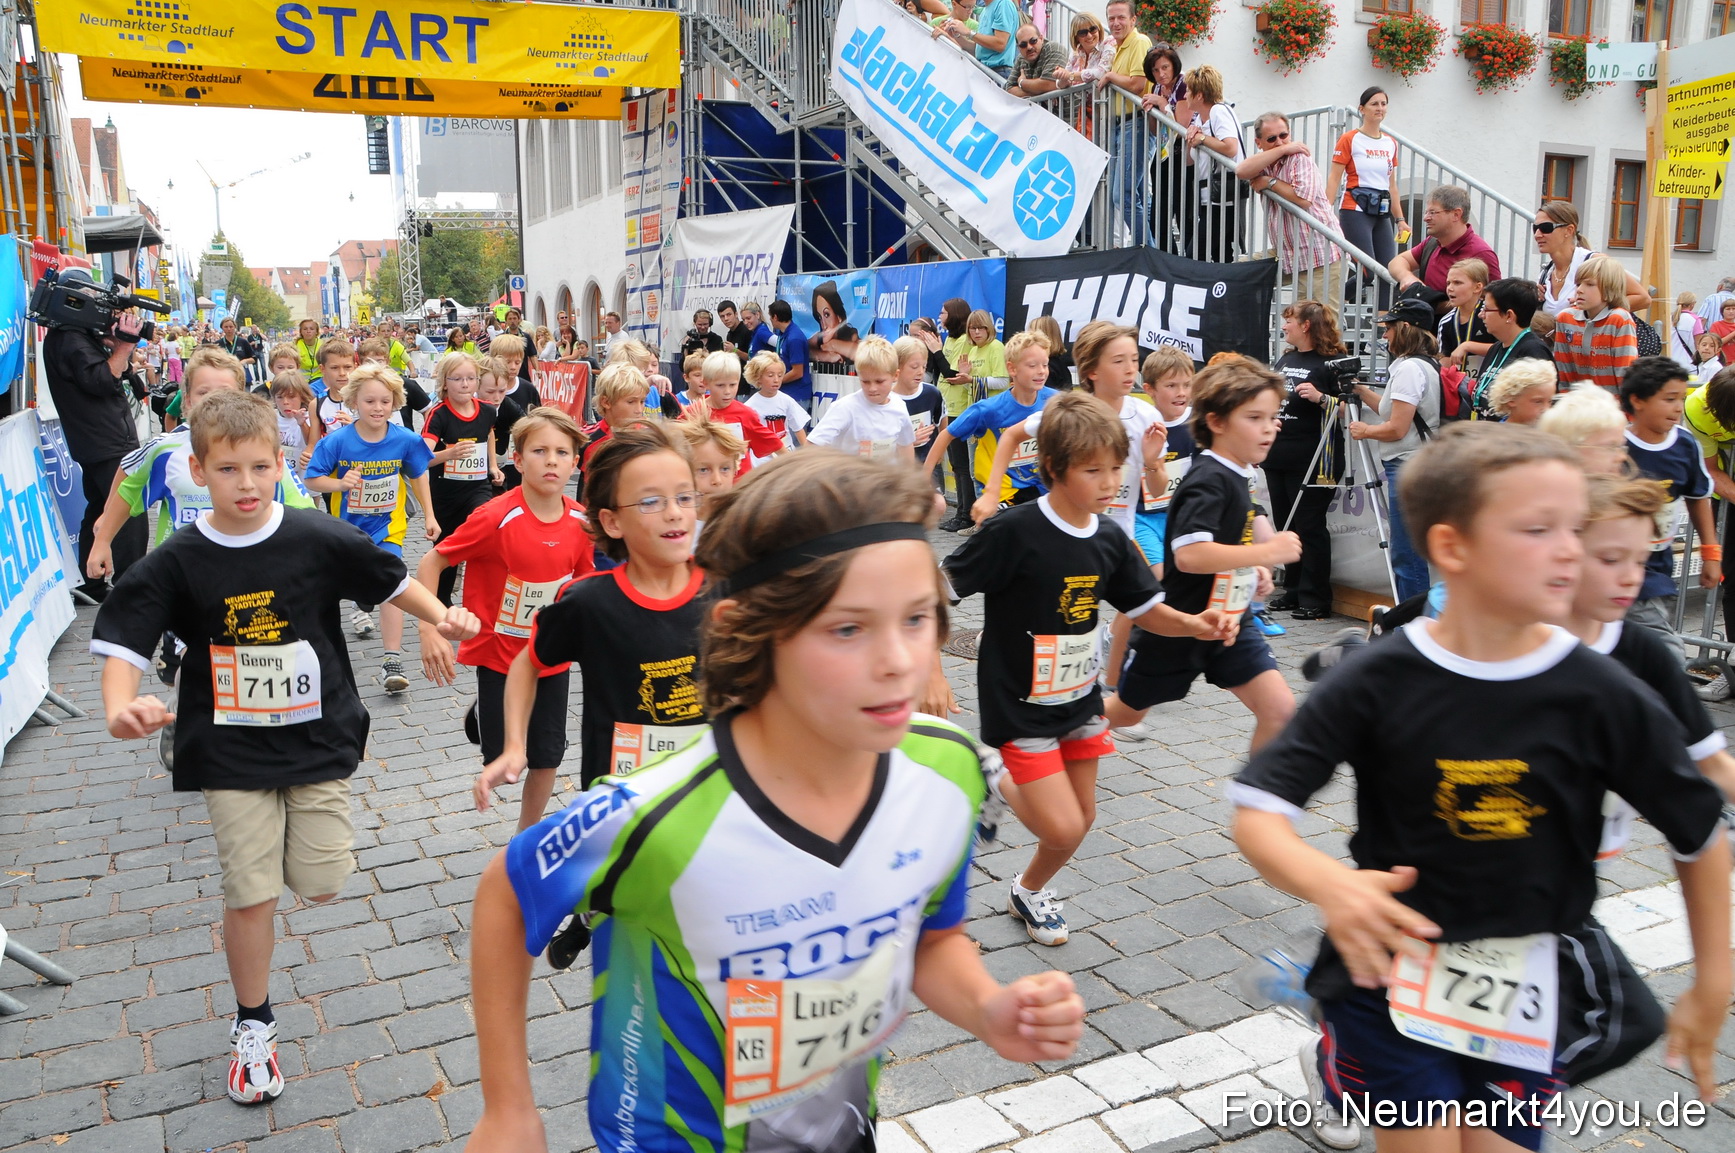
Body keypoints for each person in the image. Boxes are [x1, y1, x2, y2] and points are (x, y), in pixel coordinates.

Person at [465, 447, 1086, 1153]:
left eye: (917, 618)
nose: (899, 660)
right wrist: (507, 1108)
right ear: (744, 628)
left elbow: (928, 935)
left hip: (843, 1129)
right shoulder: (658, 813)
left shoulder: (948, 772)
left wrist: (987, 1006)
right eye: (847, 628)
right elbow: (505, 894)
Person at [1232, 422, 1731, 1153]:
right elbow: (1258, 808)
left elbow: (1697, 828)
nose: (1569, 548)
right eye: (1538, 528)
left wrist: (1713, 978)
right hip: (1388, 975)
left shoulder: (1602, 689)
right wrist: (1330, 887)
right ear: (1451, 547)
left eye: (1573, 527)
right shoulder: (1378, 675)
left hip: (1527, 984)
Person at [92, 389, 480, 1108]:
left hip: (318, 734)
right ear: (198, 471)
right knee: (251, 888)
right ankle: (253, 1024)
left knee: (324, 879)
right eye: (229, 468)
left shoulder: (311, 535)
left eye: (260, 467)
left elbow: (389, 578)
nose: (246, 483)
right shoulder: (180, 557)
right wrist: (121, 705)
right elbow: (125, 636)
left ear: (281, 465)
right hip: (228, 747)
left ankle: (291, 887)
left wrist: (443, 615)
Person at [943, 393, 1231, 946]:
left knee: (1083, 817)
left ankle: (1028, 891)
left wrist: (1195, 624)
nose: (1109, 481)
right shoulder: (1015, 531)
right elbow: (940, 587)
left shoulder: (1109, 538)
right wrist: (928, 666)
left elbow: (1148, 610)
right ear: (1053, 469)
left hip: (1079, 702)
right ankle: (992, 776)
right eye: (1092, 469)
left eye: (1115, 468)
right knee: (1062, 824)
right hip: (1020, 704)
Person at [1103, 358, 1301, 751]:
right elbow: (1190, 555)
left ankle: (1254, 806)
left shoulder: (1240, 472)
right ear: (1217, 422)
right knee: (1125, 713)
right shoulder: (1209, 477)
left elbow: (1233, 535)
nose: (1269, 428)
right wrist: (1265, 551)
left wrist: (1253, 565)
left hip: (1230, 622)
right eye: (1255, 417)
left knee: (1280, 711)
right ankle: (1041, 738)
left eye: (1272, 417)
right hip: (1179, 626)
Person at [416, 407, 594, 832]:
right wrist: (429, 628)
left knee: (547, 753)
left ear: (575, 463)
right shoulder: (495, 516)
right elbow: (431, 563)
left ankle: (524, 837)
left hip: (549, 655)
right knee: (501, 755)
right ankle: (482, 715)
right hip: (498, 655)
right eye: (540, 450)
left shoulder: (581, 523)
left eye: (562, 452)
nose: (551, 460)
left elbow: (585, 588)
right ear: (517, 459)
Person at [1562, 474, 1735, 834]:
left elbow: (1713, 762)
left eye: (1641, 561)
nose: (1631, 578)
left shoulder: (1644, 652)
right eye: (1611, 559)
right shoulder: (1507, 644)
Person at [303, 364, 439, 694]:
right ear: (354, 402)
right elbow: (311, 478)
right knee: (342, 588)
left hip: (388, 527)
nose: (378, 408)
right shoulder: (337, 442)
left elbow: (419, 472)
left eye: (384, 402)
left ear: (395, 403)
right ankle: (322, 653)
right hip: (346, 531)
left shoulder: (404, 439)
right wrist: (339, 483)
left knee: (392, 582)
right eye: (369, 402)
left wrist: (430, 516)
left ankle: (391, 659)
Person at [41, 289, 148, 599]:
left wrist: (115, 346)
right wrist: (125, 346)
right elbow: (102, 380)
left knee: (101, 507)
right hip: (105, 441)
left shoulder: (72, 335)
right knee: (128, 509)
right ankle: (132, 589)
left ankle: (92, 582)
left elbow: (115, 373)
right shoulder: (71, 339)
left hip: (99, 439)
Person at [1618, 356, 1719, 663]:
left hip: (1659, 561)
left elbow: (1698, 496)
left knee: (1637, 643)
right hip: (1620, 561)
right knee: (1667, 652)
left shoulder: (1685, 444)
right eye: (1669, 399)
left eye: (1682, 399)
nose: (1678, 408)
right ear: (1637, 400)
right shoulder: (1614, 446)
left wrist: (1711, 553)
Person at [1349, 299, 1442, 602]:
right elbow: (1394, 411)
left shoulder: (1409, 369)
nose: (1384, 336)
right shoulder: (1421, 364)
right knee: (1408, 549)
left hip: (1407, 463)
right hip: (1415, 461)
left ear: (1404, 327)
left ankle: (1411, 625)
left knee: (1406, 552)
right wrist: (1362, 391)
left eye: (1388, 329)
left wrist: (1365, 431)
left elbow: (1396, 428)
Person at [1267, 302, 1347, 620]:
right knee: (1287, 526)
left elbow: (1349, 406)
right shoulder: (1286, 358)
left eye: (1289, 321)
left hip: (1315, 458)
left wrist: (1322, 398)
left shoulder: (1333, 361)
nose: (1284, 327)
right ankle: (1294, 589)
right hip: (1279, 455)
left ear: (1307, 326)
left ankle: (1316, 598)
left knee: (1310, 525)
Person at [922, 330, 1060, 514]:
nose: (1041, 371)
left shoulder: (1056, 402)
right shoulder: (989, 409)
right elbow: (947, 434)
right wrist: (924, 481)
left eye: (1045, 364)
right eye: (1033, 365)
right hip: (1002, 495)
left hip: (1043, 490)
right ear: (1012, 369)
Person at [423, 352, 504, 604]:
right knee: (446, 549)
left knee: (485, 521)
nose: (465, 384)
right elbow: (422, 457)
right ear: (445, 382)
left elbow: (488, 435)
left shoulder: (488, 411)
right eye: (458, 379)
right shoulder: (438, 415)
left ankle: (483, 591)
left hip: (477, 487)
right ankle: (442, 601)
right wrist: (449, 454)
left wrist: (493, 466)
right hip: (445, 494)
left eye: (471, 378)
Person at [1236, 112, 1342, 300]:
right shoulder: (1269, 159)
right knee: (1237, 272)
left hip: (1318, 253)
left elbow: (1303, 199)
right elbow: (1241, 171)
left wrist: (1270, 182)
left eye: (1283, 136)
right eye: (1271, 138)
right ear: (1258, 142)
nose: (1279, 141)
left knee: (1315, 324)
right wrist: (1282, 150)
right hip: (1287, 251)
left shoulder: (1299, 158)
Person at [1326, 87, 1407, 306]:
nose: (1380, 108)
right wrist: (1324, 212)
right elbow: (1334, 178)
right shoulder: (1350, 139)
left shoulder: (1390, 143)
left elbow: (1392, 185)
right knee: (1368, 271)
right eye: (1374, 104)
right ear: (1362, 109)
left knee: (1387, 273)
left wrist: (1400, 220)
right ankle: (1330, 304)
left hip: (1381, 212)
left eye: (1383, 103)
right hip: (1355, 210)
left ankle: (1382, 330)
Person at [807, 336, 918, 463]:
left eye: (879, 381)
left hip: (885, 480)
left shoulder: (899, 406)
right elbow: (812, 444)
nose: (872, 388)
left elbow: (906, 445)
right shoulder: (845, 408)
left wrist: (909, 477)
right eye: (865, 381)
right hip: (849, 480)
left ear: (895, 376)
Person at [1533, 201, 1652, 319]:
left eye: (1545, 228)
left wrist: (1595, 308)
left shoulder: (1596, 262)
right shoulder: (1546, 274)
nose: (1537, 234)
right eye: (1535, 228)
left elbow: (1643, 298)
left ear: (1569, 230)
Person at [1178, 66, 1244, 263]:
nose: (1186, 94)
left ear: (1199, 95)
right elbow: (1190, 161)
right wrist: (1193, 138)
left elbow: (1230, 147)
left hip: (1222, 198)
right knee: (1220, 256)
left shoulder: (1218, 111)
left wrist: (1202, 139)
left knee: (1194, 256)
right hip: (1212, 197)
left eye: (1189, 90)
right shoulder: (1201, 118)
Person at [683, 350, 789, 473]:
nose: (727, 391)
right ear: (705, 383)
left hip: (740, 485)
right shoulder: (692, 413)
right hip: (706, 486)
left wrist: (796, 466)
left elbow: (773, 443)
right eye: (720, 385)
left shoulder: (746, 414)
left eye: (732, 385)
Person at [1389, 186, 1502, 299]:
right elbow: (1397, 262)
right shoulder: (1432, 243)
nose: (1426, 218)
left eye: (1433, 212)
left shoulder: (1481, 253)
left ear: (1456, 214)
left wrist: (1443, 305)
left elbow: (1495, 300)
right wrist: (1408, 278)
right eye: (1426, 212)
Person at [1100, 0, 1152, 245]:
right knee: (1128, 194)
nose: (1115, 23)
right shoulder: (1117, 46)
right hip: (1121, 125)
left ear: (1134, 19)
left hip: (1137, 123)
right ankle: (1145, 248)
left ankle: (1146, 250)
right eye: (1111, 19)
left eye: (1121, 17)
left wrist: (1110, 76)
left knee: (1123, 195)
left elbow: (1137, 84)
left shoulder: (1139, 42)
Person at [1553, 254, 1638, 392]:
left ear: (1609, 289)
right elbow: (1564, 373)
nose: (1579, 289)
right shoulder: (1565, 319)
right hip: (1577, 406)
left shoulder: (1619, 320)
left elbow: (1626, 375)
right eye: (1578, 284)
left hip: (1612, 408)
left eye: (1589, 284)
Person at [1139, 43, 1189, 254]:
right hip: (1163, 155)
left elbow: (1182, 125)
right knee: (1159, 213)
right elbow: (1155, 129)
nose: (1161, 74)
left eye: (1165, 67)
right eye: (1156, 70)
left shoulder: (1185, 83)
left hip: (1184, 155)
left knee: (1182, 210)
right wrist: (1151, 110)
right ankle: (1169, 257)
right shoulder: (1156, 88)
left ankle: (1186, 259)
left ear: (1174, 66)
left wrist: (1162, 103)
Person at [1476, 277, 1555, 405]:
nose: (1481, 315)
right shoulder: (1496, 348)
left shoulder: (1534, 352)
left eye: (1487, 309)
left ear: (1509, 315)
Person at [583, 363, 651, 471]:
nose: (639, 410)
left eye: (642, 401)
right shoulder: (586, 440)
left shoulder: (651, 439)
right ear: (606, 402)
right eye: (631, 402)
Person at [742, 351, 809, 455]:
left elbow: (798, 428)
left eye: (780, 375)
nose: (776, 380)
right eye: (770, 375)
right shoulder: (749, 406)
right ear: (758, 377)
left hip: (786, 454)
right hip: (762, 458)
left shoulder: (786, 400)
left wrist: (808, 451)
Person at [891, 334, 947, 455]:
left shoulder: (932, 393)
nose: (920, 372)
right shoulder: (887, 399)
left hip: (928, 465)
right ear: (897, 366)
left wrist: (939, 452)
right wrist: (909, 441)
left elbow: (942, 421)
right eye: (914, 367)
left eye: (924, 367)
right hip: (897, 468)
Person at [1436, 258, 1492, 369]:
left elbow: (1506, 348)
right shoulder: (1446, 322)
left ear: (1477, 287)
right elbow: (1444, 358)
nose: (1450, 288)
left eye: (1457, 283)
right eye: (1448, 283)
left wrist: (1467, 346)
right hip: (1460, 384)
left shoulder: (1491, 315)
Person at [270, 372, 321, 478]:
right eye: (280, 397)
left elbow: (312, 444)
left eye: (291, 397)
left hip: (304, 480)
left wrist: (302, 424)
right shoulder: (269, 418)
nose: (285, 402)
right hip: (279, 479)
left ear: (302, 397)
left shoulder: (310, 416)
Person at [766, 299, 813, 408]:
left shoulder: (794, 338)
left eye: (770, 317)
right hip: (786, 393)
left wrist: (776, 381)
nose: (770, 320)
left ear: (775, 317)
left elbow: (797, 372)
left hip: (797, 396)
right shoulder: (782, 334)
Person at [1052, 12, 1112, 92]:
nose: (1089, 35)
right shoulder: (1075, 54)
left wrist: (1071, 75)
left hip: (1103, 103)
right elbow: (1060, 85)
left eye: (1093, 29)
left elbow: (1101, 73)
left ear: (1099, 29)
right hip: (1081, 103)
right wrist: (1062, 76)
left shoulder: (1108, 43)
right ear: (1076, 37)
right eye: (1083, 33)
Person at [1485, 358, 1556, 425]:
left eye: (1550, 402)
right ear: (1511, 399)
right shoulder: (1498, 435)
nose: (1546, 409)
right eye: (1538, 401)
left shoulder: (1547, 433)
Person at [808, 281, 860, 366]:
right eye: (820, 317)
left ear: (839, 317)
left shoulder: (851, 335)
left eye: (827, 315)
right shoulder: (819, 338)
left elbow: (861, 354)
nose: (824, 325)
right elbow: (800, 348)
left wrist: (833, 345)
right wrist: (825, 356)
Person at [1006, 23, 1066, 95]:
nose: (1029, 47)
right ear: (1018, 48)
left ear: (1041, 38)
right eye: (1023, 45)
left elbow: (1050, 84)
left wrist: (1022, 82)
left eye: (1033, 41)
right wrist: (1039, 92)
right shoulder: (1021, 58)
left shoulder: (1053, 48)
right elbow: (1008, 90)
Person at [1671, 291, 1705, 369]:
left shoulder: (1669, 318)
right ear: (1692, 304)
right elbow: (1699, 344)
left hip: (1671, 362)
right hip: (1689, 363)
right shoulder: (1695, 320)